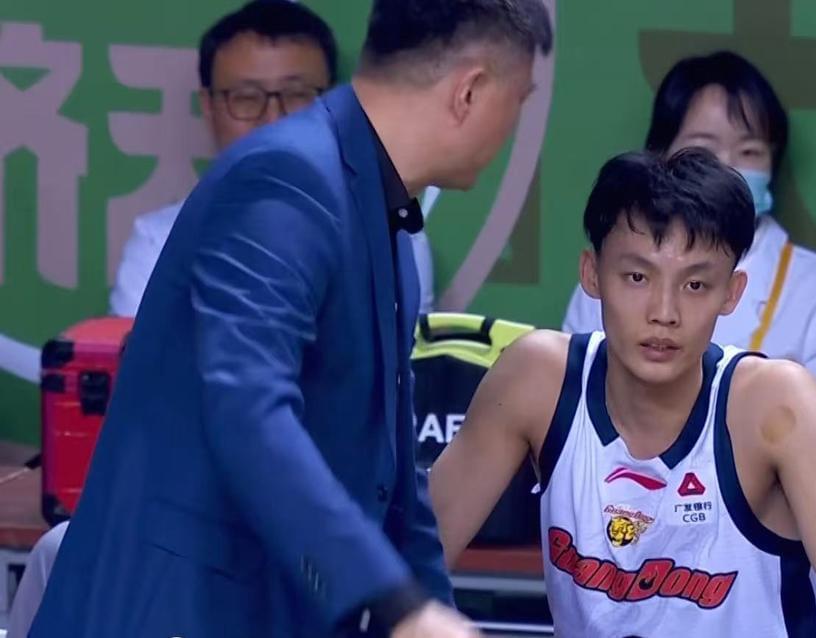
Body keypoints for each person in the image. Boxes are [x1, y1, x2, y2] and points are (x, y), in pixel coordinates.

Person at [30, 1, 551, 636]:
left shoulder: (383, 214)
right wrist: (394, 602)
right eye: (518, 100)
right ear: (469, 91)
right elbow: (247, 409)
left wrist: (427, 606)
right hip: (176, 611)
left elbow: (392, 479)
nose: (514, 123)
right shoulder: (290, 176)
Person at [431, 148, 816, 637]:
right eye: (637, 277)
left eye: (696, 284)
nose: (664, 312)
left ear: (732, 292)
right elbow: (417, 553)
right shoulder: (536, 380)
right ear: (591, 274)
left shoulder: (776, 405)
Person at [561, 51, 816, 409]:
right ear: (660, 154)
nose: (728, 168)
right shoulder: (613, 271)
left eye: (749, 152)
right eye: (703, 150)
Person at [108, 0, 436, 318]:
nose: (274, 120)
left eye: (298, 95)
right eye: (246, 98)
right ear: (209, 107)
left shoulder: (393, 246)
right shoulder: (159, 245)